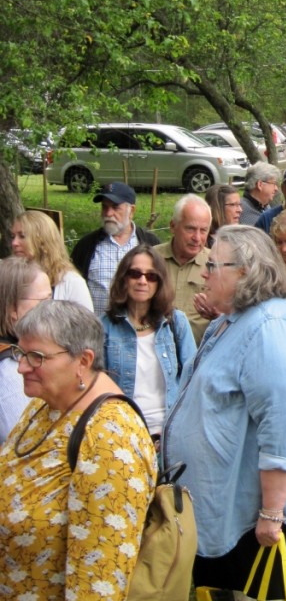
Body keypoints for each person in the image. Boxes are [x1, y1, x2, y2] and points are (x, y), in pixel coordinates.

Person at [0, 301, 167, 601]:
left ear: (83, 361)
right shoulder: (47, 408)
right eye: (20, 353)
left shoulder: (109, 434)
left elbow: (103, 567)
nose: (22, 368)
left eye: (36, 357)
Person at [162, 225, 286, 599]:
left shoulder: (271, 326)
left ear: (246, 271)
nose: (204, 271)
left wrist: (271, 513)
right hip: (221, 505)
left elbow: (284, 421)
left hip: (249, 517)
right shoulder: (231, 319)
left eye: (213, 265)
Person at [102, 244, 196, 443]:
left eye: (151, 276)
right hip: (122, 431)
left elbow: (193, 378)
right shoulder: (104, 326)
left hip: (169, 432)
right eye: (135, 274)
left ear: (160, 282)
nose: (142, 281)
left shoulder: (176, 322)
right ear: (124, 278)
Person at [71, 182, 159, 315]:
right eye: (104, 207)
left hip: (139, 330)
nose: (108, 213)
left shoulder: (150, 244)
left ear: (132, 211)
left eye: (115, 207)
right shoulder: (86, 246)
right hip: (97, 331)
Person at [0, 258, 52, 443]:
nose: (52, 307)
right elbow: (24, 442)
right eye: (44, 300)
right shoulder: (9, 368)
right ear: (13, 308)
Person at [154, 193, 212, 344]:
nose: (197, 238)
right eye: (191, 229)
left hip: (198, 357)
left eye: (203, 230)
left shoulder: (217, 264)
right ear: (173, 226)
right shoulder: (150, 260)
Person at [11, 210, 93, 310]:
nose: (14, 243)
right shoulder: (10, 276)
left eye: (22, 236)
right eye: (13, 236)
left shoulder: (71, 282)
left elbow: (86, 324)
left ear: (42, 240)